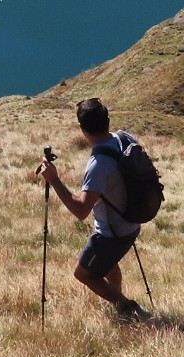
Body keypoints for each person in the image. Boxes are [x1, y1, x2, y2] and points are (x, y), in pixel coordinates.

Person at [37, 98, 152, 322]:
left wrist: (54, 180)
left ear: (82, 129)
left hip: (112, 234)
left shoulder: (99, 164)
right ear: (107, 121)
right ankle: (119, 305)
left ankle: (129, 309)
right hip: (132, 223)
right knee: (107, 263)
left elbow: (81, 211)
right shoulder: (123, 137)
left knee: (84, 274)